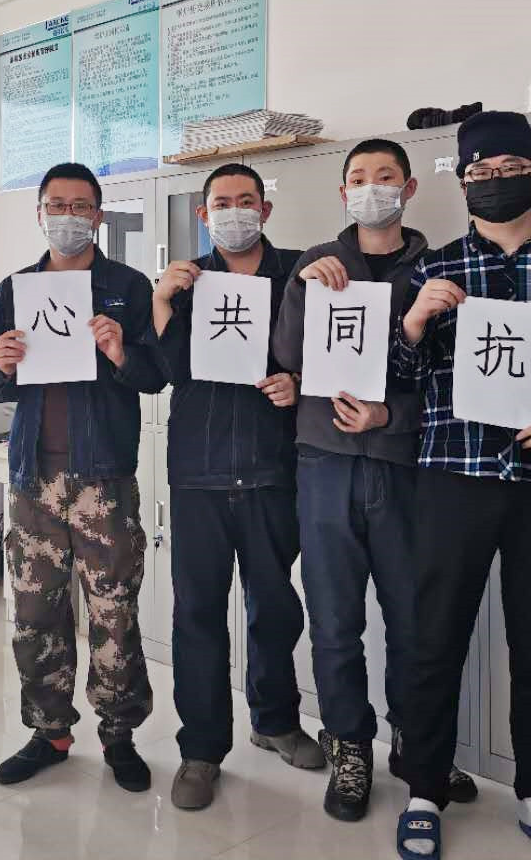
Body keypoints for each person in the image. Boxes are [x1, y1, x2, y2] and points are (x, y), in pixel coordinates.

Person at [389, 111, 531, 860]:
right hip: (455, 477)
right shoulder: (436, 267)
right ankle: (424, 787)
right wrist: (414, 323)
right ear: (461, 184)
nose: (493, 182)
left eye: (508, 169)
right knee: (433, 638)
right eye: (478, 173)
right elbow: (401, 379)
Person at [273, 138, 477, 822]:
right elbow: (287, 357)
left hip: (405, 466)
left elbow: (456, 380)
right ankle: (350, 746)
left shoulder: (440, 269)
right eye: (358, 178)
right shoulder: (315, 263)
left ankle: (420, 749)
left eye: (385, 176)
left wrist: (391, 416)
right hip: (324, 463)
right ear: (343, 194)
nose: (371, 188)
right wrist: (303, 289)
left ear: (409, 188)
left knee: (415, 623)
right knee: (335, 622)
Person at [0, 162, 167, 793]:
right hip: (34, 475)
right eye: (56, 205)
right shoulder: (15, 289)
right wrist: (1, 363)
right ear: (39, 214)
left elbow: (155, 375)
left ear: (98, 216)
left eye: (80, 206)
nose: (68, 216)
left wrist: (120, 353)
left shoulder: (127, 287)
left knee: (113, 610)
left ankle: (119, 733)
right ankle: (49, 731)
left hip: (102, 476)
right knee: (36, 610)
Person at [152, 162, 322, 811]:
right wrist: (161, 301)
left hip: (273, 468)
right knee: (197, 612)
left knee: (273, 606)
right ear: (203, 215)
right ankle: (201, 749)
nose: (234, 211)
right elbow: (160, 372)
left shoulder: (299, 276)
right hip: (198, 471)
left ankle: (274, 720)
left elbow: (334, 355)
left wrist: (299, 384)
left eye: (245, 200)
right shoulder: (187, 283)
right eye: (220, 202)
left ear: (265, 210)